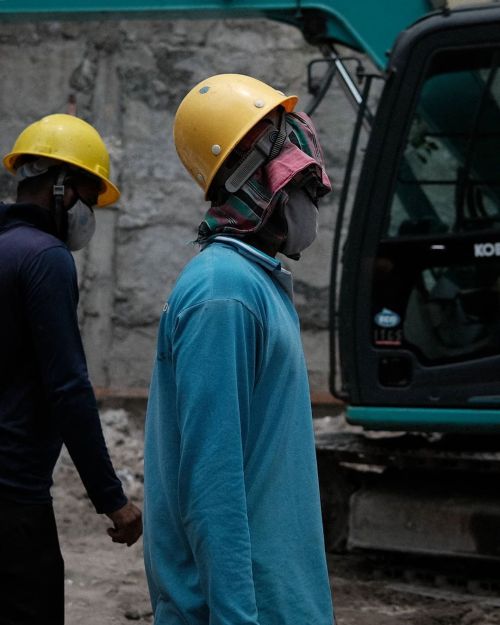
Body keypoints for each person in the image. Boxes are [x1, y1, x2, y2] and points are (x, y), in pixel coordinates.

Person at [144, 74, 335, 625]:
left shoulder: (251, 283)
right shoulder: (225, 294)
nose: (312, 197)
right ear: (257, 182)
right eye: (302, 184)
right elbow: (213, 488)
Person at [0, 113, 142, 625]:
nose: (88, 212)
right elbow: (68, 388)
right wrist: (112, 499)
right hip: (13, 495)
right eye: (86, 194)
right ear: (59, 188)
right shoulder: (46, 259)